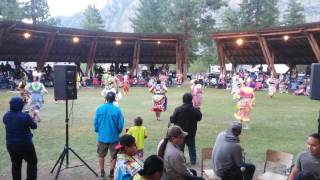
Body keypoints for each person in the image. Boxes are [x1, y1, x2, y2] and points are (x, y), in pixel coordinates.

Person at [3, 96, 38, 180]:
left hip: (10, 144)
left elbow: (13, 122)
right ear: (20, 105)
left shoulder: (6, 115)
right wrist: (33, 116)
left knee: (16, 163)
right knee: (32, 162)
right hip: (24, 144)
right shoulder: (25, 116)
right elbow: (34, 126)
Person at [94, 91, 125, 178]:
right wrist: (117, 132)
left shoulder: (99, 108)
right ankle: (111, 171)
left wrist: (98, 130)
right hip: (114, 137)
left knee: (101, 155)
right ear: (114, 99)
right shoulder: (117, 109)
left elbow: (96, 122)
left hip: (102, 136)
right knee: (114, 155)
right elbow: (120, 124)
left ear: (106, 99)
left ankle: (102, 171)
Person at [170, 93, 202, 165]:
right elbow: (199, 117)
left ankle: (180, 161)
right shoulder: (195, 110)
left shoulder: (178, 109)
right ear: (191, 100)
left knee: (180, 148)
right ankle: (193, 161)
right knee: (192, 147)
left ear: (183, 100)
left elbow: (172, 120)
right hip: (191, 132)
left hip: (180, 133)